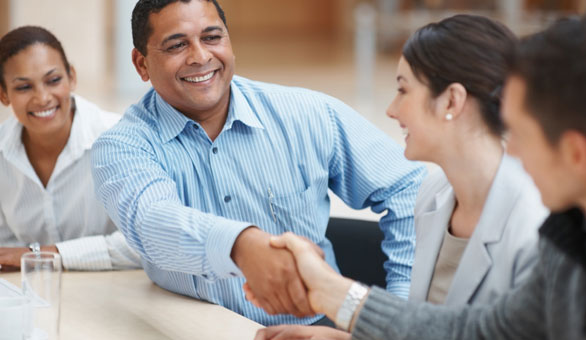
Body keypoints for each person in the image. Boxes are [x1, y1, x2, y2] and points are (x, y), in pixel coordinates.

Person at [91, 0, 425, 326]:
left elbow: (410, 188)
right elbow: (151, 222)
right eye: (177, 45)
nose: (201, 56)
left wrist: (395, 316)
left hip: (317, 329)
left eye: (212, 37)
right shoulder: (122, 146)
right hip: (193, 329)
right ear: (141, 64)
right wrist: (242, 245)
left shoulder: (306, 115)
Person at [253, 16, 586, 340]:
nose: (511, 148)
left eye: (521, 133)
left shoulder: (542, 230)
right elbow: (478, 332)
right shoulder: (564, 235)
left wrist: (335, 293)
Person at [0, 26, 141, 271]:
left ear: (71, 77)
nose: (42, 98)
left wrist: (43, 255)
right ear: (3, 94)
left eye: (53, 80)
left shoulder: (119, 138)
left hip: (116, 293)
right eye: (24, 87)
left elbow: (145, 242)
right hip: (31, 295)